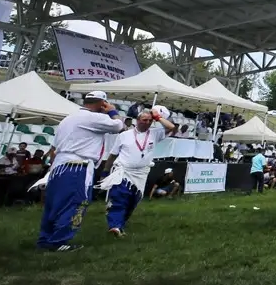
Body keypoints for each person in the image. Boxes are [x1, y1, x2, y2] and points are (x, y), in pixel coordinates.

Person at [32, 91, 127, 252]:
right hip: (77, 166)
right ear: (102, 104)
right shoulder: (95, 117)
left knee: (54, 204)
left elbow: (54, 148)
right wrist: (111, 110)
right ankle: (59, 241)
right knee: (76, 202)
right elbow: (120, 126)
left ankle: (45, 239)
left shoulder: (68, 119)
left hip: (59, 166)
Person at [99, 106, 177, 237]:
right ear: (137, 120)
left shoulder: (155, 133)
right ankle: (115, 226)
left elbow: (171, 128)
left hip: (141, 174)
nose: (146, 123)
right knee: (120, 197)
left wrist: (157, 116)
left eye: (149, 121)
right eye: (144, 120)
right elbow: (112, 155)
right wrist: (105, 171)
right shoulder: (124, 135)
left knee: (133, 200)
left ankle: (120, 223)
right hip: (123, 171)